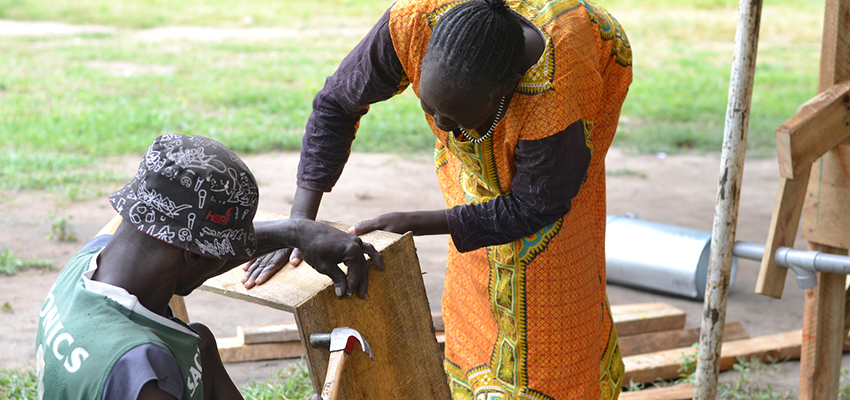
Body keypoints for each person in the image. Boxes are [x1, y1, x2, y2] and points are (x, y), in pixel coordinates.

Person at [244, 0, 632, 397]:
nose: (442, 127)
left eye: (458, 118)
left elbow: (538, 205)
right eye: (430, 108)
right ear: (424, 56)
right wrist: (301, 226)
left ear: (507, 88)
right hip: (485, 92)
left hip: (567, 127)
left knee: (555, 276)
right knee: (476, 275)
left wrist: (417, 222)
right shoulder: (413, 24)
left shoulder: (560, 83)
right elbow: (337, 105)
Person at [35, 134, 382, 400]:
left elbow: (180, 248)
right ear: (195, 255)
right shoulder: (143, 373)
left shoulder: (88, 262)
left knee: (200, 341)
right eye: (223, 253)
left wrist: (296, 231)